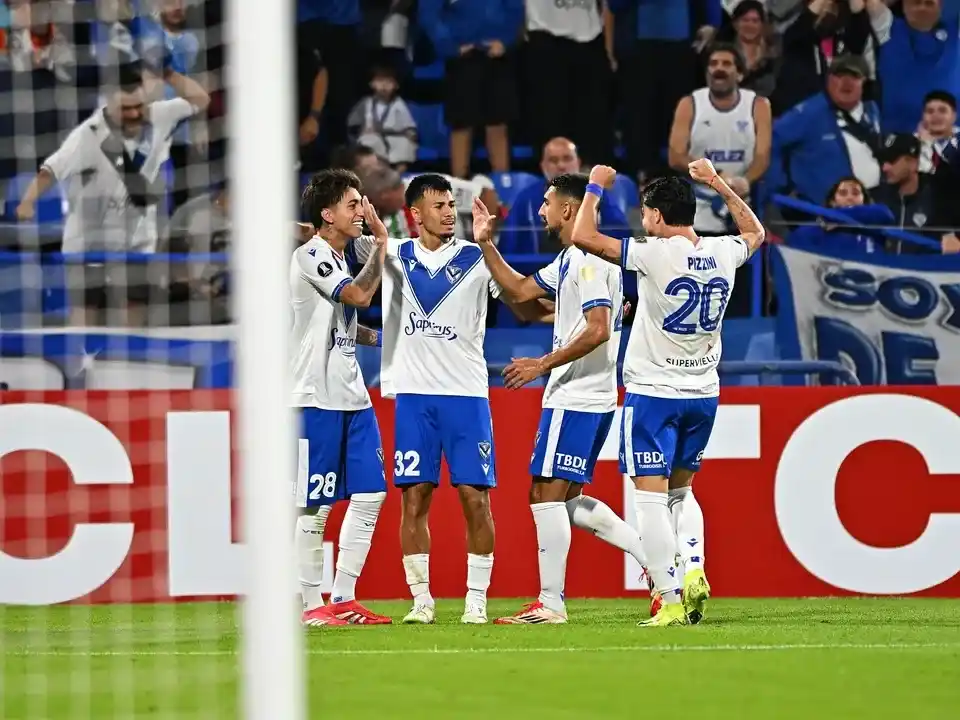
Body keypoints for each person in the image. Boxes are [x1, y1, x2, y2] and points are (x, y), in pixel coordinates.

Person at [570, 160, 766, 626]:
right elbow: (755, 232)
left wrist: (595, 187)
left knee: (651, 500)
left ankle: (671, 597)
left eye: (645, 213)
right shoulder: (722, 250)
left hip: (654, 394)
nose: (643, 221)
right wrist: (717, 182)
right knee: (683, 491)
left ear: (657, 215)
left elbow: (582, 236)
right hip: (703, 392)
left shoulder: (653, 253)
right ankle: (695, 566)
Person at [469, 173, 652, 624]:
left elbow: (597, 328)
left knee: (544, 496)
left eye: (548, 203)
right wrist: (486, 245)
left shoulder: (588, 261)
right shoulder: (574, 258)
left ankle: (551, 604)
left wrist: (540, 364)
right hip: (589, 397)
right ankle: (660, 562)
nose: (540, 210)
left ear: (570, 209)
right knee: (564, 500)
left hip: (577, 396)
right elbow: (522, 295)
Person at [347, 174, 521, 625]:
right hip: (413, 397)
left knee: (475, 499)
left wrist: (490, 245)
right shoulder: (392, 254)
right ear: (414, 214)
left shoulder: (475, 256)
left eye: (451, 205)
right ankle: (421, 599)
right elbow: (331, 241)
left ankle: (476, 600)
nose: (449, 212)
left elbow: (521, 296)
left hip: (466, 395)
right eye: (439, 205)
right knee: (414, 499)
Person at [292, 169, 393, 627]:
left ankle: (344, 597)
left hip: (352, 395)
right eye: (352, 204)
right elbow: (357, 294)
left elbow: (344, 323)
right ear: (327, 214)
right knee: (315, 503)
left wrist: (385, 340)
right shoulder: (312, 253)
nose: (360, 211)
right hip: (314, 396)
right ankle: (311, 605)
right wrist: (381, 244)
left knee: (371, 493)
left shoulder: (336, 256)